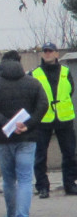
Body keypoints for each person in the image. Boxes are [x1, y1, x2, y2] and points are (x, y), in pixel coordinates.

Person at [0, 50, 49, 217]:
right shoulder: (33, 83)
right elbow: (43, 105)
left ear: (1, 64)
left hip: (4, 139)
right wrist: (27, 125)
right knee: (26, 179)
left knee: (9, 180)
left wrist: (5, 122)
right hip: (27, 138)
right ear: (20, 63)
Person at [30, 42, 77, 198]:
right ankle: (43, 187)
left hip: (64, 118)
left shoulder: (66, 71)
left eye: (50, 51)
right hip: (44, 119)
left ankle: (70, 184)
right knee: (40, 155)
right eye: (45, 51)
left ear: (57, 53)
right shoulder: (35, 73)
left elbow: (70, 91)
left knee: (70, 153)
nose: (48, 53)